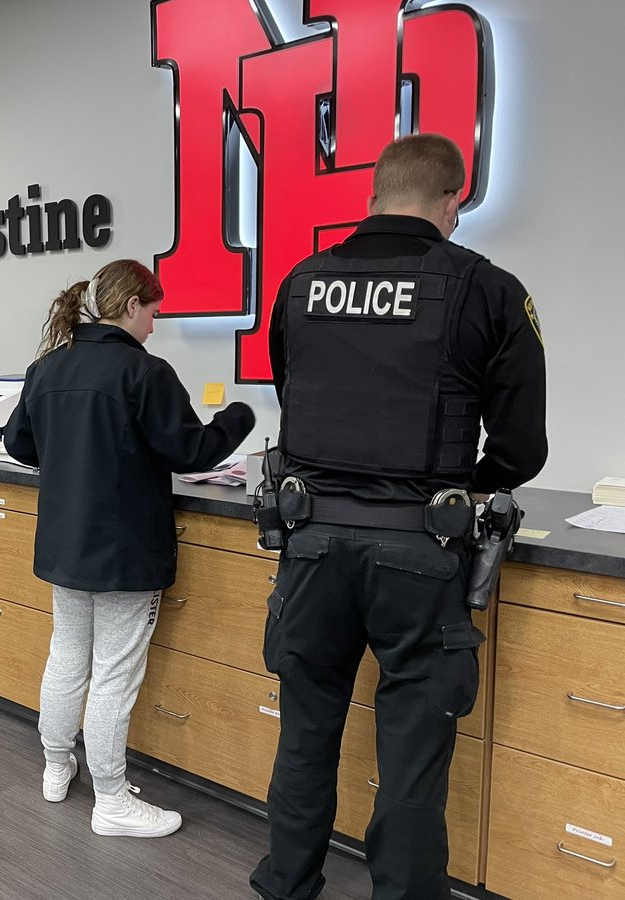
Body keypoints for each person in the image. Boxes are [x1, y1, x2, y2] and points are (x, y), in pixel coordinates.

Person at [250, 134, 547, 900]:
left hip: (310, 546)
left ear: (374, 192)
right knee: (413, 759)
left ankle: (287, 885)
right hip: (421, 552)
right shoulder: (486, 288)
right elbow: (520, 448)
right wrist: (457, 487)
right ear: (455, 197)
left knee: (306, 734)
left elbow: (295, 392)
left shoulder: (302, 282)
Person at [4, 259, 255, 838]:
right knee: (113, 674)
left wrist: (72, 459)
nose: (154, 326)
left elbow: (19, 441)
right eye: (153, 312)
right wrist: (238, 416)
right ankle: (112, 798)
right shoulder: (143, 373)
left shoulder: (48, 367)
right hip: (124, 554)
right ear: (129, 306)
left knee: (67, 657)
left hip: (67, 547)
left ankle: (55, 767)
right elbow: (192, 451)